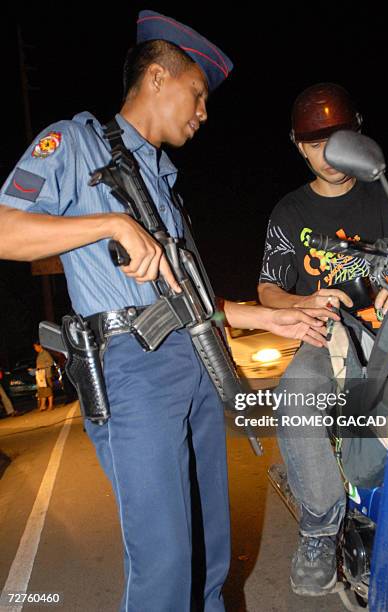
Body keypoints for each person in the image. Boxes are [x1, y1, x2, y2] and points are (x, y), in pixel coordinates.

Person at [0, 12, 338, 611]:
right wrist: (107, 222)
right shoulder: (73, 143)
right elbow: (3, 228)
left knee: (209, 559)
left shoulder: (161, 181)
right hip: (133, 369)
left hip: (196, 364)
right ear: (157, 77)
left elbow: (188, 301)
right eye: (198, 94)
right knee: (164, 567)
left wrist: (268, 317)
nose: (204, 112)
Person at [258, 83, 388, 597]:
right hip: (327, 334)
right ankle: (318, 526)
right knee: (295, 392)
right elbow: (268, 288)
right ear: (297, 146)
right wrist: (303, 303)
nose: (328, 156)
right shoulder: (289, 213)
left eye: (338, 140)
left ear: (358, 138)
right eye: (315, 144)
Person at [33, 341, 55, 411]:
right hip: (41, 376)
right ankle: (43, 405)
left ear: (40, 346)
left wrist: (41, 366)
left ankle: (51, 405)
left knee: (48, 390)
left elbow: (51, 362)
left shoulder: (45, 353)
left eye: (35, 347)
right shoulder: (39, 354)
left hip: (46, 374)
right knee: (42, 391)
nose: (35, 349)